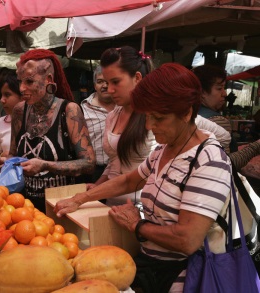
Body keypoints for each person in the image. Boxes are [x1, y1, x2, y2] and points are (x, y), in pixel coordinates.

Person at [55, 63, 233, 292]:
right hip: (151, 265)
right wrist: (82, 198)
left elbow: (187, 240)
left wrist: (137, 225)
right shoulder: (165, 149)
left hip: (186, 276)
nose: (149, 125)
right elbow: (130, 180)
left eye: (158, 118)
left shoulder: (209, 161)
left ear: (187, 113)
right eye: (147, 116)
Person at [0, 49, 95, 213]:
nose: (21, 88)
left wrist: (45, 165)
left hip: (61, 207)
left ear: (48, 80)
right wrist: (6, 163)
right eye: (20, 81)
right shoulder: (19, 111)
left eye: (29, 81)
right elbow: (13, 154)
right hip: (24, 207)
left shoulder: (69, 111)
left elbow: (89, 163)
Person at [193, 64, 260, 170]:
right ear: (202, 92)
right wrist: (256, 146)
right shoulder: (217, 121)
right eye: (219, 88)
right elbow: (224, 165)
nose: (224, 93)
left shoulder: (190, 114)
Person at [81, 65, 115, 183]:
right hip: (95, 172)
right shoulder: (82, 111)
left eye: (108, 82)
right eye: (100, 82)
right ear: (95, 85)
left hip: (122, 169)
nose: (105, 86)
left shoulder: (124, 107)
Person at [0, 72, 22, 161]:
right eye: (1, 95)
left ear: (22, 96)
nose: (2, 100)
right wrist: (1, 160)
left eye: (7, 95)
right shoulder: (0, 123)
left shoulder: (36, 123)